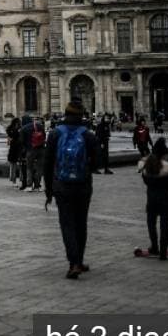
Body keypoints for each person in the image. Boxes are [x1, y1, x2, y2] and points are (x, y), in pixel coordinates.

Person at [44, 99, 99, 279]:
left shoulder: (54, 134)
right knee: (81, 223)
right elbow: (97, 162)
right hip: (83, 185)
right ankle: (79, 261)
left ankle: (73, 263)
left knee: (67, 224)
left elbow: (47, 163)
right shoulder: (88, 135)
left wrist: (48, 190)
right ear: (82, 115)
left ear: (65, 114)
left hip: (61, 185)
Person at [138, 138, 168, 260]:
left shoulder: (146, 167)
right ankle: (163, 252)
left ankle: (154, 247)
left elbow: (146, 181)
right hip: (166, 200)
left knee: (151, 223)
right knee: (164, 225)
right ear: (164, 154)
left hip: (151, 199)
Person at [19, 115, 45, 192]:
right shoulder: (39, 126)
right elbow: (44, 136)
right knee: (39, 168)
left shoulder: (24, 128)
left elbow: (21, 141)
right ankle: (37, 186)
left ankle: (29, 185)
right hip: (41, 149)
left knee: (29, 168)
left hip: (30, 150)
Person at [6, 118, 22, 185]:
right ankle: (19, 180)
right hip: (18, 149)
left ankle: (13, 180)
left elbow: (9, 139)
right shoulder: (18, 129)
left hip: (13, 149)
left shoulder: (10, 129)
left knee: (13, 165)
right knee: (20, 165)